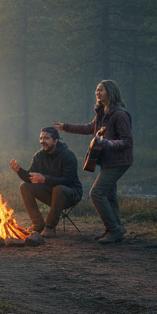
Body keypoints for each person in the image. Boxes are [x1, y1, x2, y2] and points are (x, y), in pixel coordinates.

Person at [55, 80, 133, 244]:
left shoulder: (120, 114)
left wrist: (104, 143)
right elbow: (89, 128)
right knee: (110, 195)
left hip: (119, 161)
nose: (97, 93)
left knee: (96, 193)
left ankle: (114, 230)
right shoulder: (103, 113)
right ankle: (113, 229)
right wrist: (65, 127)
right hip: (107, 161)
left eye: (101, 90)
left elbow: (127, 142)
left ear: (110, 92)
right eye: (96, 90)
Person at [8, 126, 83, 236]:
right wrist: (19, 171)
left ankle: (50, 227)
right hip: (51, 193)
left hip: (71, 194)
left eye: (46, 138)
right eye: (41, 138)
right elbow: (30, 177)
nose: (42, 141)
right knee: (24, 186)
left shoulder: (68, 155)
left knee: (59, 188)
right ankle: (38, 224)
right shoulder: (39, 156)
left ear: (55, 140)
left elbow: (69, 181)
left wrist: (44, 179)